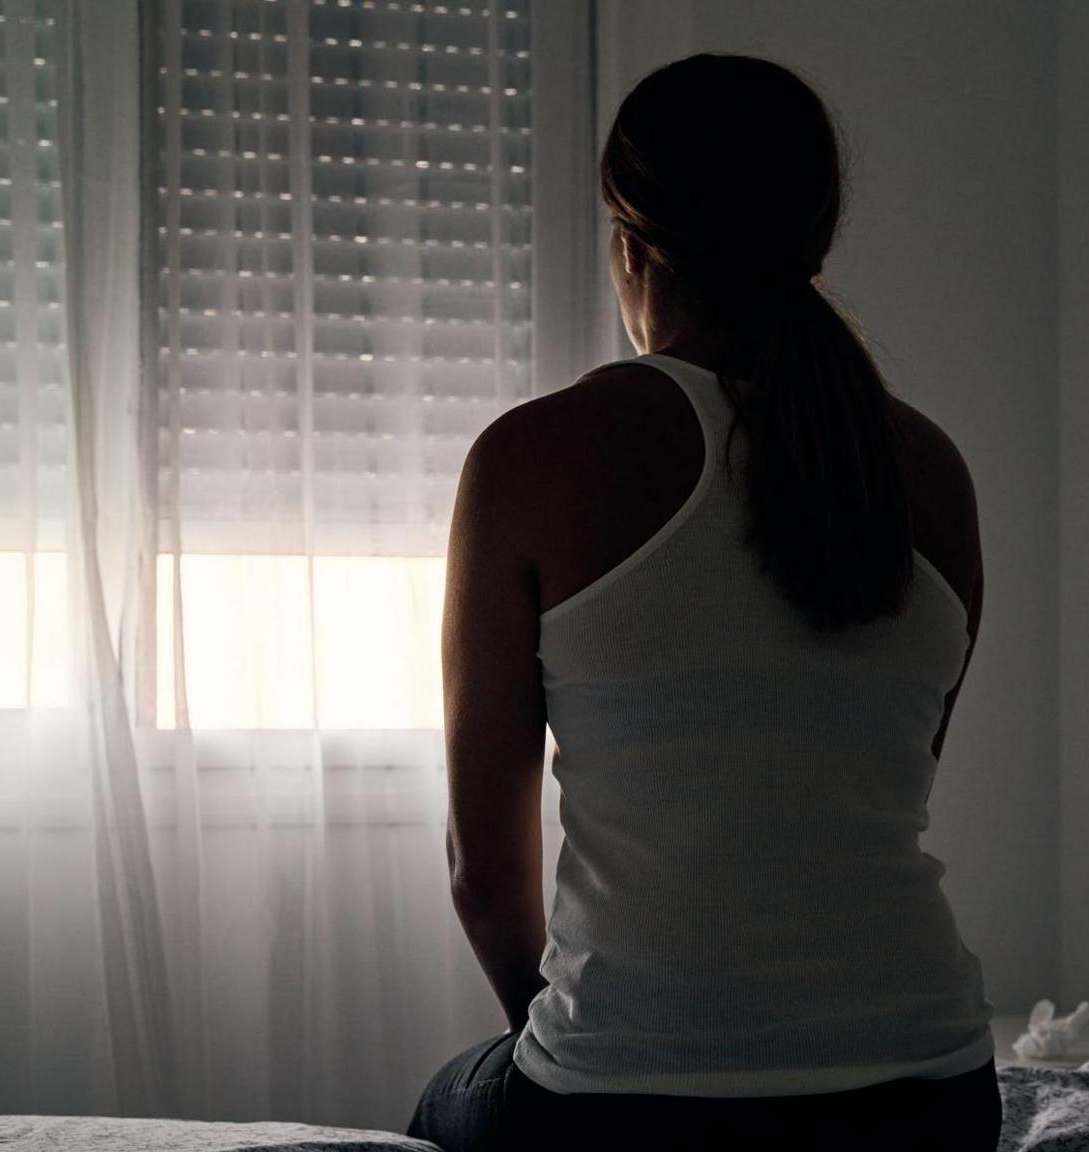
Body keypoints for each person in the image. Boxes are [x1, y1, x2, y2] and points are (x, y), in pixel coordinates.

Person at [410, 52, 999, 1151]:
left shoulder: (530, 458)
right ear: (811, 239)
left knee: (437, 1110)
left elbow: (483, 877)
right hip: (931, 1095)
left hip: (631, 1109)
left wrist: (591, 1045)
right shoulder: (928, 469)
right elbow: (868, 791)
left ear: (629, 245)